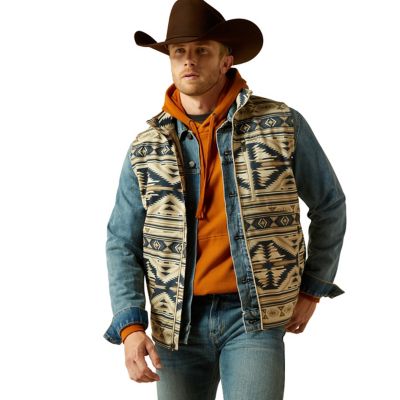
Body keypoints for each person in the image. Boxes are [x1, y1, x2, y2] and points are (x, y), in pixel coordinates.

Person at [103, 1, 346, 399]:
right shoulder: (147, 147)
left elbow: (329, 204)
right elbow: (121, 240)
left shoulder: (280, 124)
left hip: (252, 316)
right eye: (179, 52)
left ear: (225, 60)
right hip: (175, 323)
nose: (189, 60)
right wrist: (130, 327)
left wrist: (312, 288)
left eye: (202, 50)